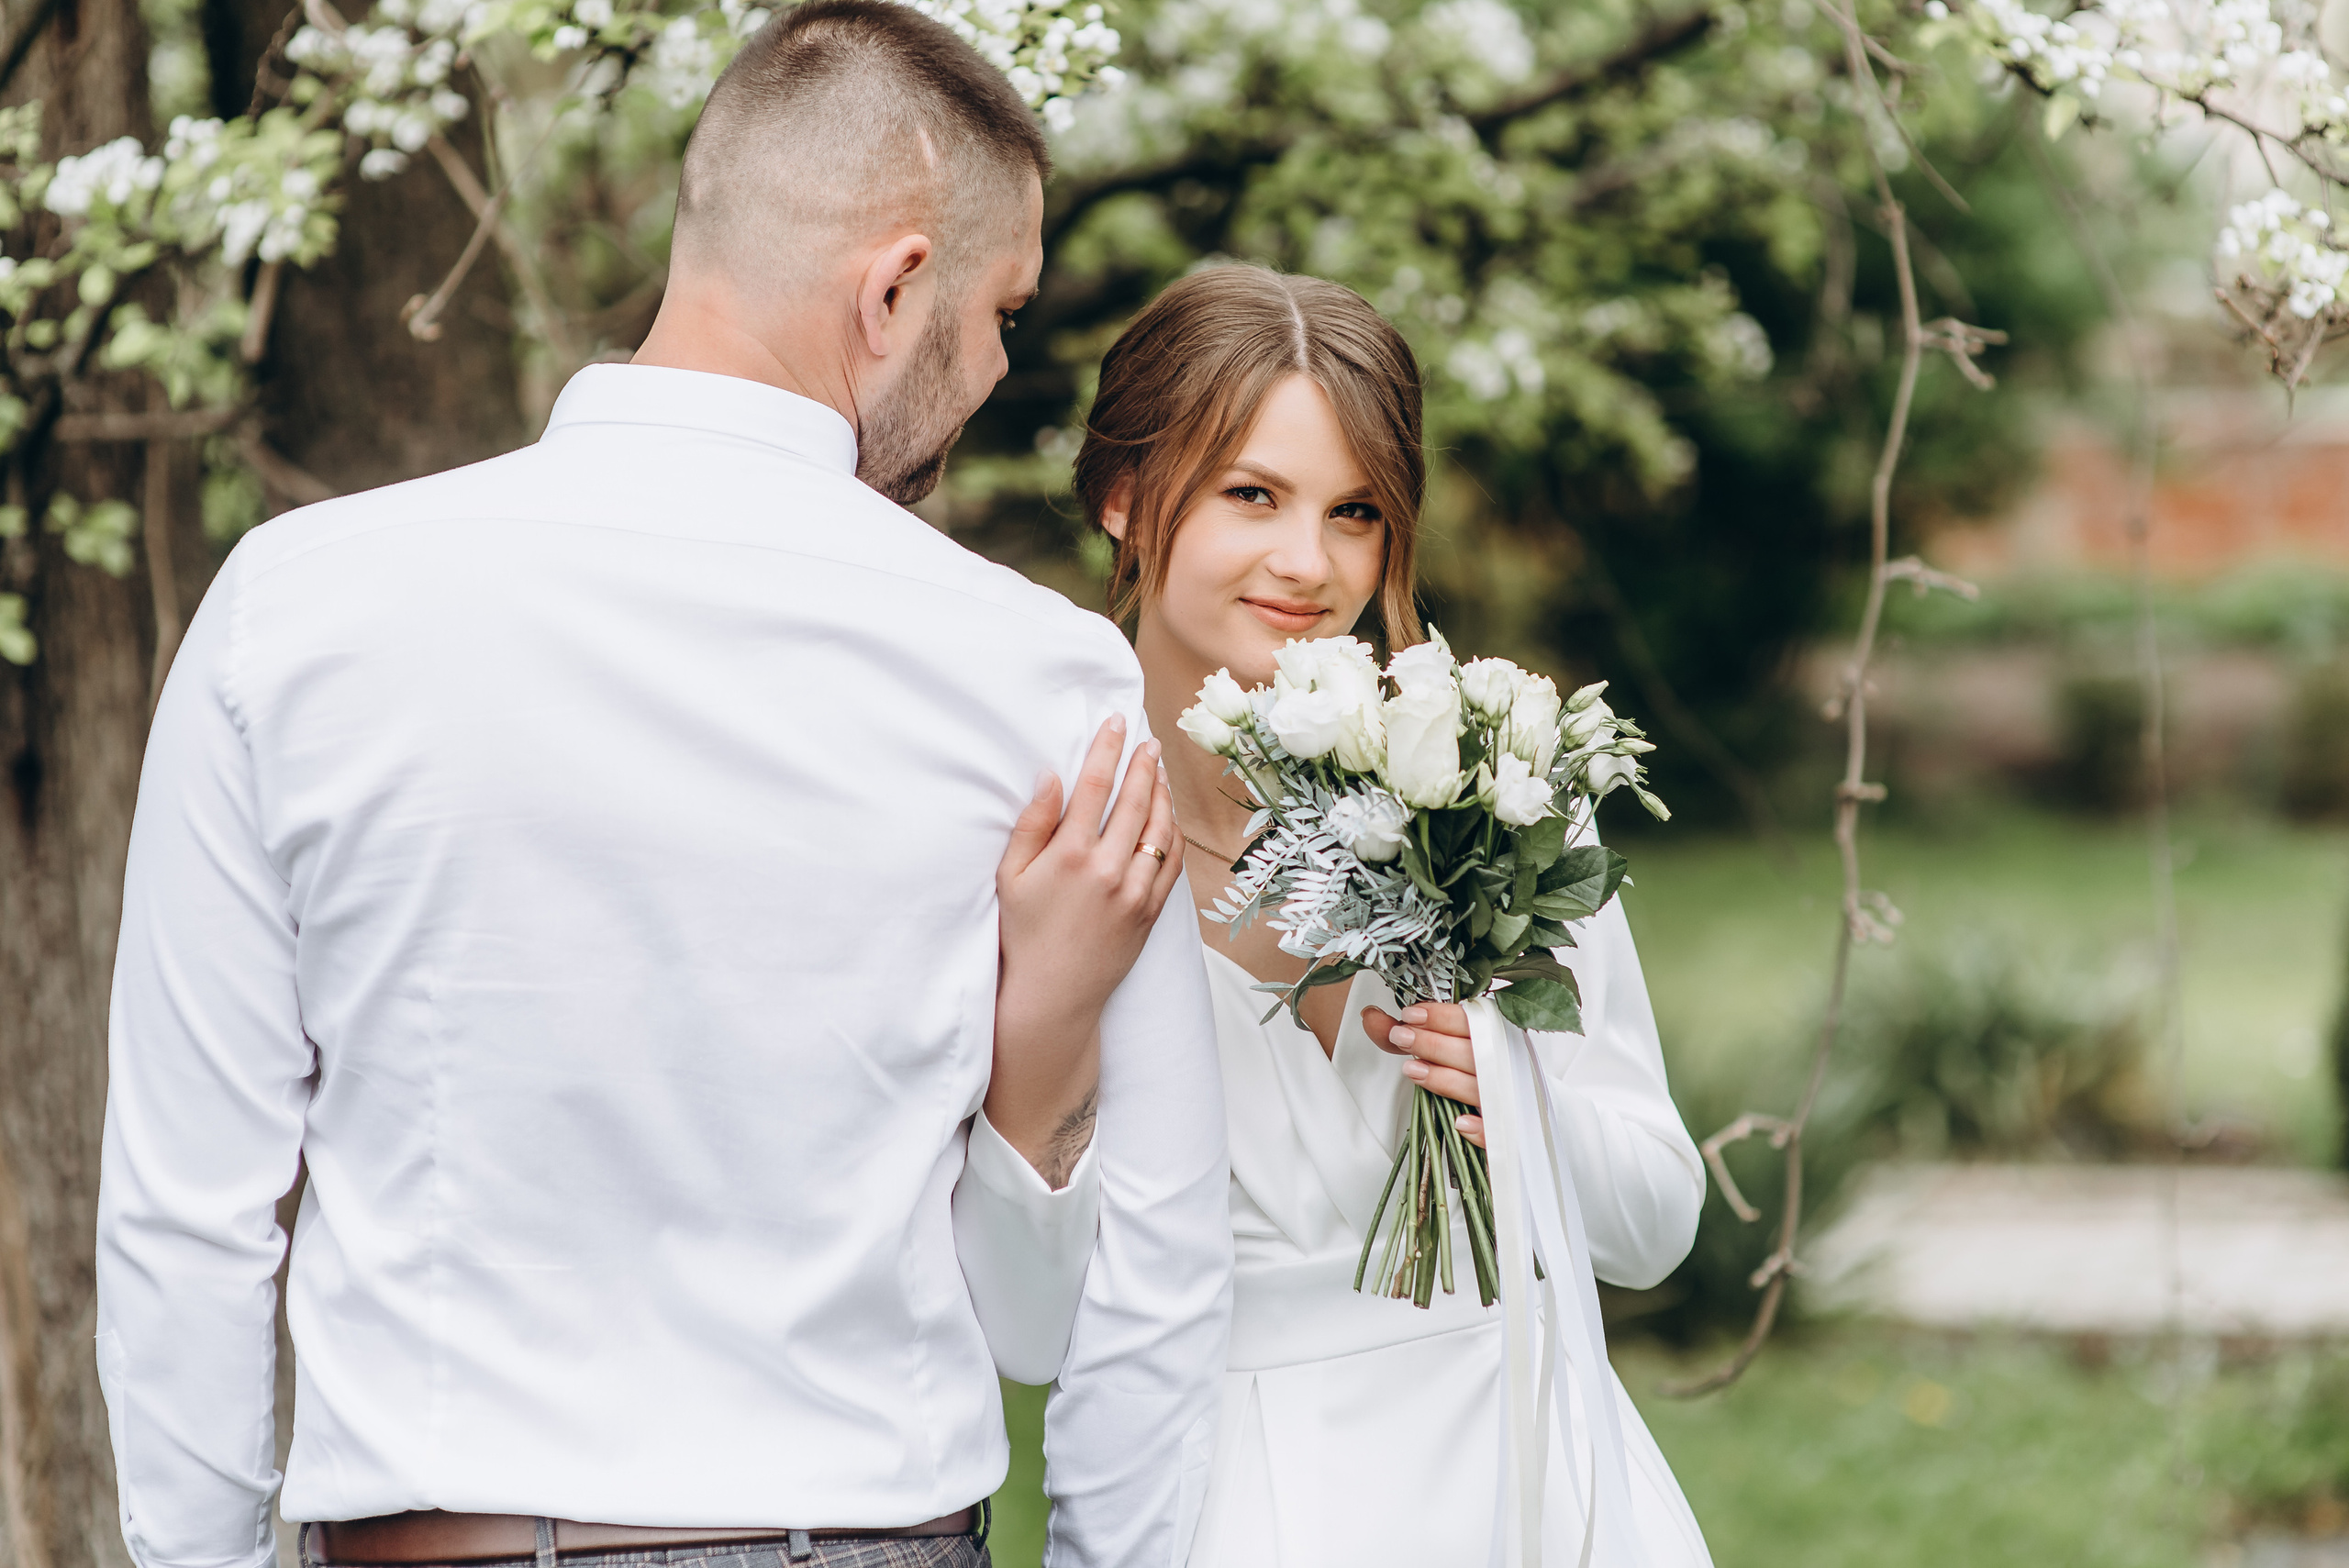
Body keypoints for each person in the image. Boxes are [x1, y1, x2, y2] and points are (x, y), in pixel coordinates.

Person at [95, 7, 1230, 1568]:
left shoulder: (288, 612)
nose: (993, 370)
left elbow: (188, 1215)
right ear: (894, 291)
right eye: (1000, 315)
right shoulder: (1038, 681)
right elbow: (1155, 1265)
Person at [1010, 262, 1714, 1565]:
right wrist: (1048, 1002)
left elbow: (1658, 1223)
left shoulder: (1497, 789)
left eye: (1355, 512)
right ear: (1123, 496)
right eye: (1252, 495)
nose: (1308, 562)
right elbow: (1022, 1309)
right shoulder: (1051, 837)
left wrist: (1522, 1108)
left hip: (1536, 1485)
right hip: (1230, 1498)